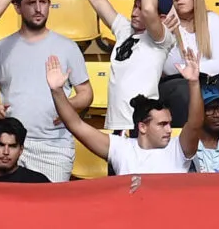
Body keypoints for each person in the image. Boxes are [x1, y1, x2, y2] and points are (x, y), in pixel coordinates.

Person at [0, 0, 93, 180]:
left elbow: (86, 93)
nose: (39, 9)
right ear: (17, 7)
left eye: (43, 2)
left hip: (52, 146)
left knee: (48, 203)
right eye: (31, 3)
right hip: (9, 143)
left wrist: (66, 106)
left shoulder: (68, 47)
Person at [49, 48, 205, 175]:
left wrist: (194, 83)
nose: (169, 130)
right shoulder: (121, 149)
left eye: (169, 123)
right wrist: (57, 92)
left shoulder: (178, 148)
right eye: (162, 124)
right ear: (142, 127)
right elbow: (75, 125)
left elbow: (195, 123)